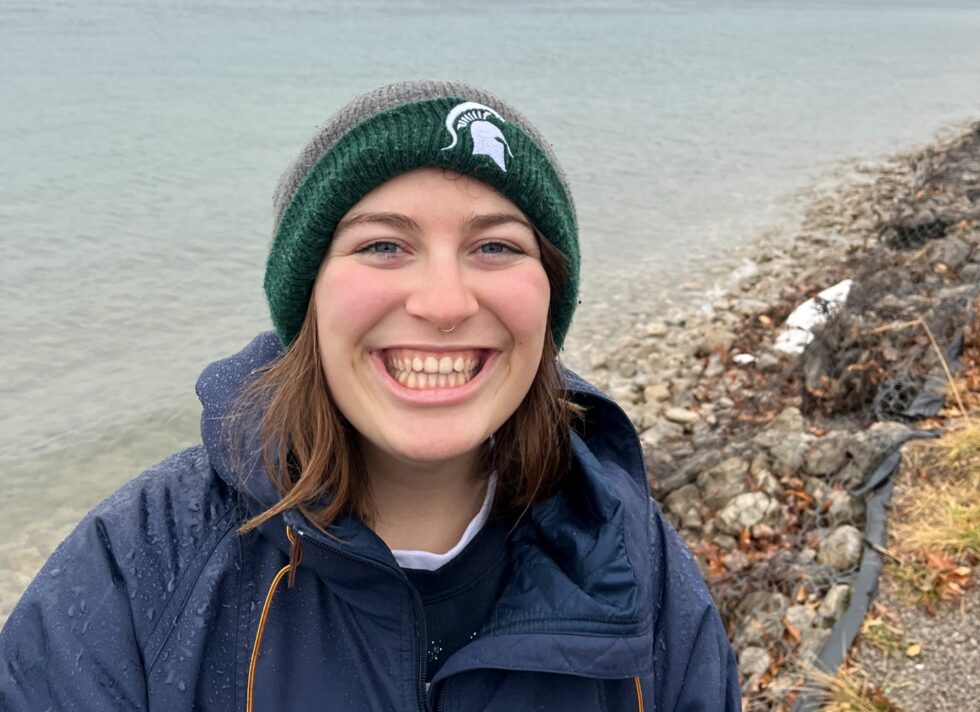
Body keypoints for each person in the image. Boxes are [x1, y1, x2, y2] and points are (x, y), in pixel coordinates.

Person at [0, 81, 740, 711]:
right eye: (383, 245)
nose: (444, 302)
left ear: (550, 298)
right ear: (308, 297)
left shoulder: (625, 558)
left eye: (497, 246)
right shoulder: (141, 565)